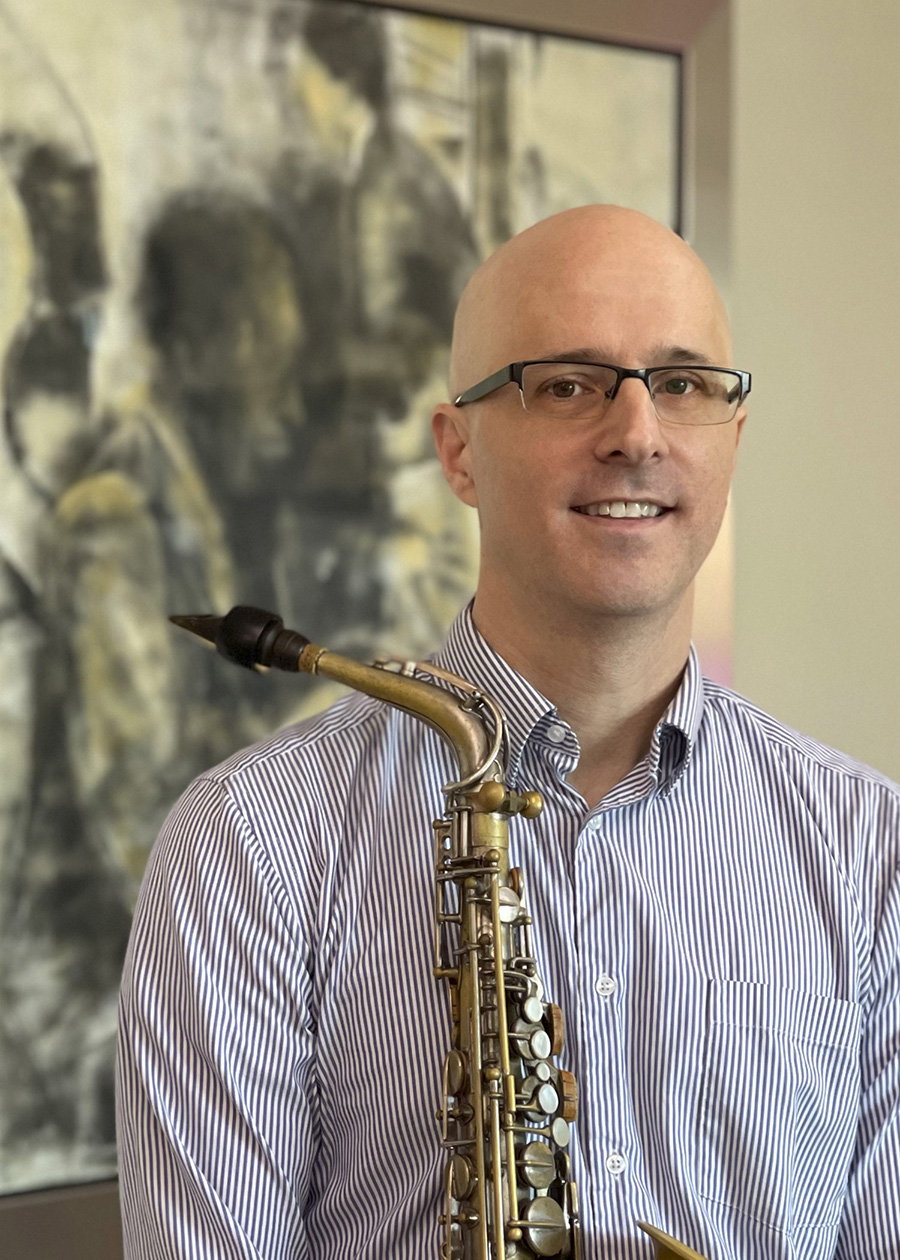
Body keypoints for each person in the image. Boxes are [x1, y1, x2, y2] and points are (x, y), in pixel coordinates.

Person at [116, 205, 900, 1260]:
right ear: (460, 451)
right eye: (567, 383)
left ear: (732, 437)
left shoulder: (870, 850)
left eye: (682, 384)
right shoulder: (246, 846)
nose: (636, 433)